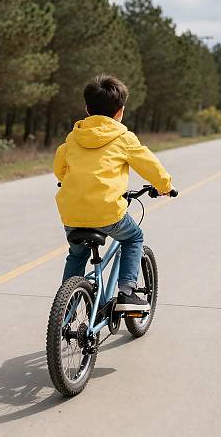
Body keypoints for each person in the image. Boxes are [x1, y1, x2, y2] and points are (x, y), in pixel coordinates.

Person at [53, 74, 173, 310]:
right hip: (108, 212)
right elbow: (149, 165)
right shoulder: (124, 138)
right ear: (121, 111)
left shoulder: (73, 137)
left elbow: (60, 168)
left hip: (71, 213)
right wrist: (165, 186)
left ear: (87, 109)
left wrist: (68, 179)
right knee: (134, 237)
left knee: (77, 255)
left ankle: (66, 306)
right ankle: (127, 292)